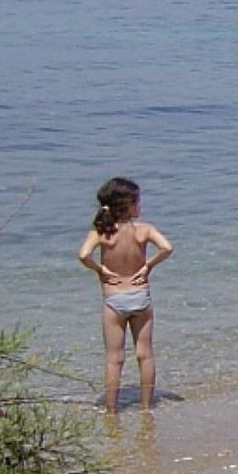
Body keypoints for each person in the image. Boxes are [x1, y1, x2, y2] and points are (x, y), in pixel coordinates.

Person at [77, 177, 173, 414]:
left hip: (114, 299)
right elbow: (167, 248)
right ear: (127, 205)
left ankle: (111, 411)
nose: (140, 205)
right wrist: (148, 266)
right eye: (137, 201)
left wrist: (101, 270)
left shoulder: (102, 232)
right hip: (140, 296)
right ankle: (146, 406)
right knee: (145, 355)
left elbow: (83, 255)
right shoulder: (143, 230)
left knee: (114, 359)